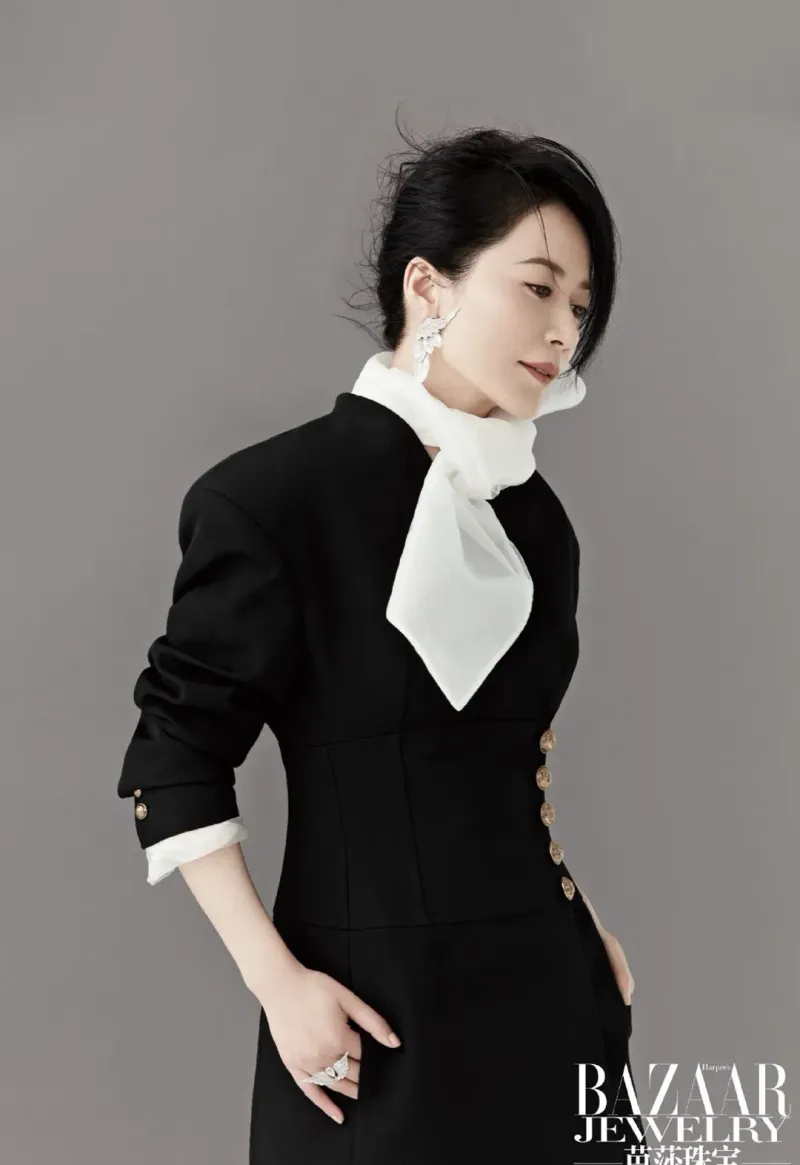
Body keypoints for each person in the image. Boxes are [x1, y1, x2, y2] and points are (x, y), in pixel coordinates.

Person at [118, 114, 648, 1163]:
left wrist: (585, 925)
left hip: (557, 1003)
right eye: (537, 288)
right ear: (427, 288)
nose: (563, 332)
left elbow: (494, 767)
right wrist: (278, 983)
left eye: (580, 306)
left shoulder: (533, 520)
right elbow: (174, 760)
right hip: (375, 1028)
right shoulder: (274, 500)